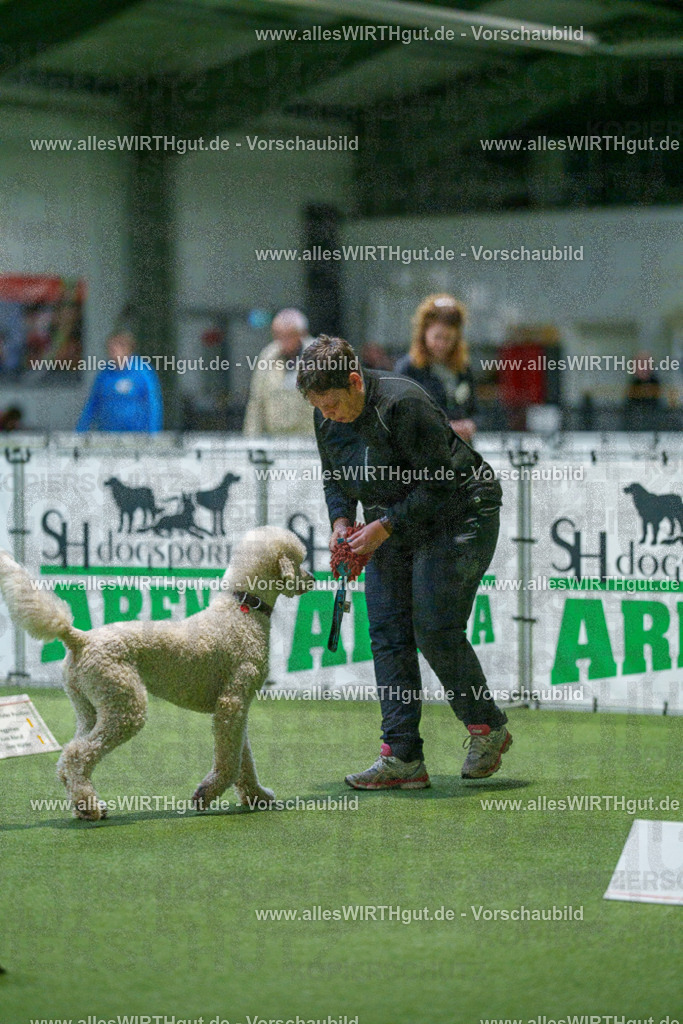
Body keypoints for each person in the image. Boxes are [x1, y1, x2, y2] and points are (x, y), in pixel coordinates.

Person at [297, 334, 512, 790]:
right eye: (319, 408)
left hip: (461, 511)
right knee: (388, 632)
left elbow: (441, 485)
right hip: (393, 519)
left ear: (355, 381)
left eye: (332, 404)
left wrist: (382, 528)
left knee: (433, 627)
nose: (327, 415)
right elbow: (336, 476)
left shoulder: (403, 404)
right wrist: (341, 523)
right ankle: (402, 758)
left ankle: (487, 728)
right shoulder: (327, 417)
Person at [395, 293, 478, 443]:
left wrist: (471, 424)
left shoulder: (463, 369)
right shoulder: (407, 369)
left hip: (461, 452)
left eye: (448, 339)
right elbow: (400, 418)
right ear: (423, 334)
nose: (442, 344)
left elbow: (475, 410)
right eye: (437, 337)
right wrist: (444, 427)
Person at [243, 308, 315, 437]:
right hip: (276, 439)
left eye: (289, 335)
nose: (282, 341)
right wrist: (251, 440)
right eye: (278, 335)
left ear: (301, 334)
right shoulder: (267, 356)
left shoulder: (319, 356)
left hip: (311, 438)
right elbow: (256, 402)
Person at [76, 330, 162, 433]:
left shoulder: (143, 372)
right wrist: (80, 430)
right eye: (110, 348)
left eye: (116, 347)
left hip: (137, 436)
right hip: (109, 434)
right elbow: (93, 403)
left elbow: (153, 403)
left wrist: (154, 432)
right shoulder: (104, 375)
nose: (112, 351)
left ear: (127, 349)